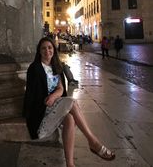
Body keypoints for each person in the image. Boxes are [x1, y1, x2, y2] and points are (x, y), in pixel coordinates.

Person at [23, 37, 115, 167]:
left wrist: (54, 96)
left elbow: (61, 88)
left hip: (52, 104)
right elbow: (31, 95)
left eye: (50, 47)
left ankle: (70, 164)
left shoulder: (56, 66)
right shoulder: (35, 68)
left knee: (70, 118)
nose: (47, 50)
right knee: (71, 101)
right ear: (39, 51)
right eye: (43, 48)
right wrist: (47, 99)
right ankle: (92, 141)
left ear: (54, 50)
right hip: (40, 112)